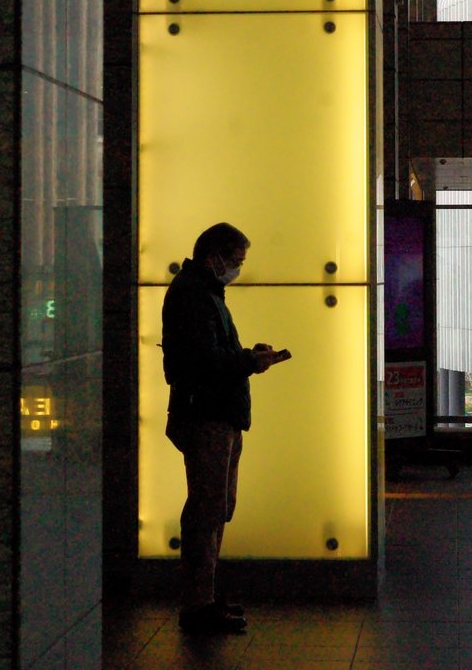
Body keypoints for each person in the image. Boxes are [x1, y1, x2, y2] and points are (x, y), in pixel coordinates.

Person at [161, 222, 288, 636]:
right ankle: (197, 604)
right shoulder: (195, 296)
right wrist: (250, 362)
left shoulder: (201, 292)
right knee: (207, 510)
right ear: (214, 256)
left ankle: (204, 598)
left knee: (214, 509)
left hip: (215, 413)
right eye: (235, 262)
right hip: (208, 416)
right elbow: (205, 362)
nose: (237, 269)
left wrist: (248, 356)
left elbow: (209, 355)